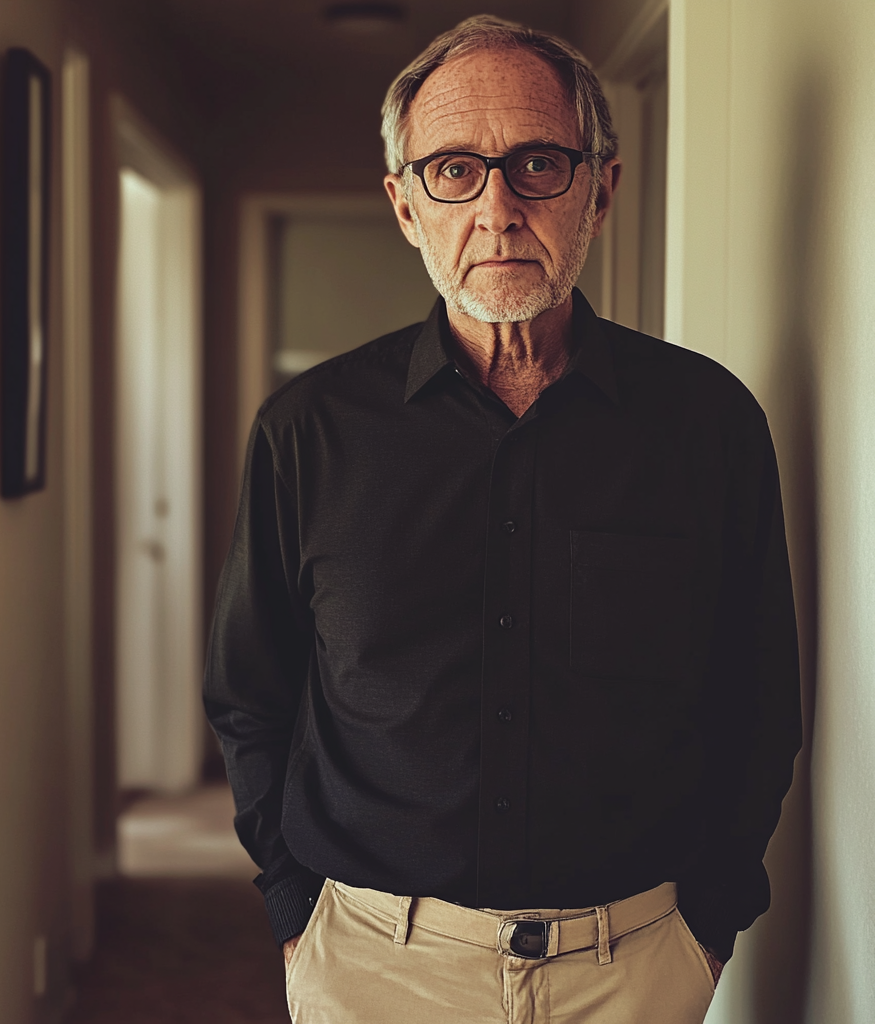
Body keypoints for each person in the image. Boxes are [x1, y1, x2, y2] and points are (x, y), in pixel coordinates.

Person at [204, 14, 801, 1024]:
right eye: (452, 171)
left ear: (599, 190)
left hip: (637, 968)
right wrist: (292, 906)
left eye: (537, 163)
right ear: (404, 207)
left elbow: (759, 693)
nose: (497, 209)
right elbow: (249, 693)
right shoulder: (306, 430)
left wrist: (709, 919)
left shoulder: (708, 424)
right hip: (373, 968)